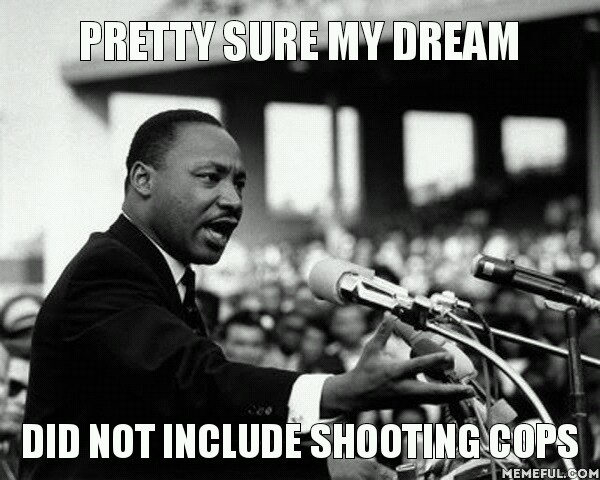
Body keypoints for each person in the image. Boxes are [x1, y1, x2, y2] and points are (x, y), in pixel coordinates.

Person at [20, 109, 473, 480]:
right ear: (143, 179)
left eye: (238, 183)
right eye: (210, 178)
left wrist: (321, 464)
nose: (233, 200)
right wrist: (337, 391)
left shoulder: (167, 276)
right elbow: (196, 386)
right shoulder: (107, 270)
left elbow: (194, 434)